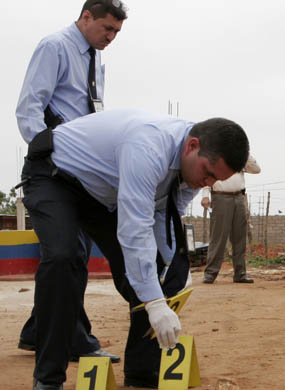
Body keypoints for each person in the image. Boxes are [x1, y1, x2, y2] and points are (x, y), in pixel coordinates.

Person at [19, 108, 249, 389]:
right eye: (208, 174)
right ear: (192, 146)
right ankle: (48, 377)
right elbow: (135, 229)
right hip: (54, 176)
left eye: (216, 181)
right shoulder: (147, 148)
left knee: (167, 269)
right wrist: (153, 302)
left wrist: (170, 270)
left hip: (101, 194)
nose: (209, 184)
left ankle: (142, 370)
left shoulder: (194, 168)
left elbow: (165, 220)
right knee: (63, 258)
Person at [15, 0, 127, 364]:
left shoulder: (96, 59)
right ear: (86, 17)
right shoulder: (55, 47)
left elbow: (90, 111)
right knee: (65, 254)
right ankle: (71, 339)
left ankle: (38, 330)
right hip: (54, 169)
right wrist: (46, 149)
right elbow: (30, 106)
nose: (111, 38)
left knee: (72, 254)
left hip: (84, 171)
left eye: (116, 33)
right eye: (106, 29)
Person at [201, 154, 261, 284]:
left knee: (239, 237)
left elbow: (256, 169)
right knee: (218, 237)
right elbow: (206, 178)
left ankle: (240, 274)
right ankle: (210, 273)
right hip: (220, 197)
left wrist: (245, 154)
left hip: (239, 197)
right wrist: (205, 195)